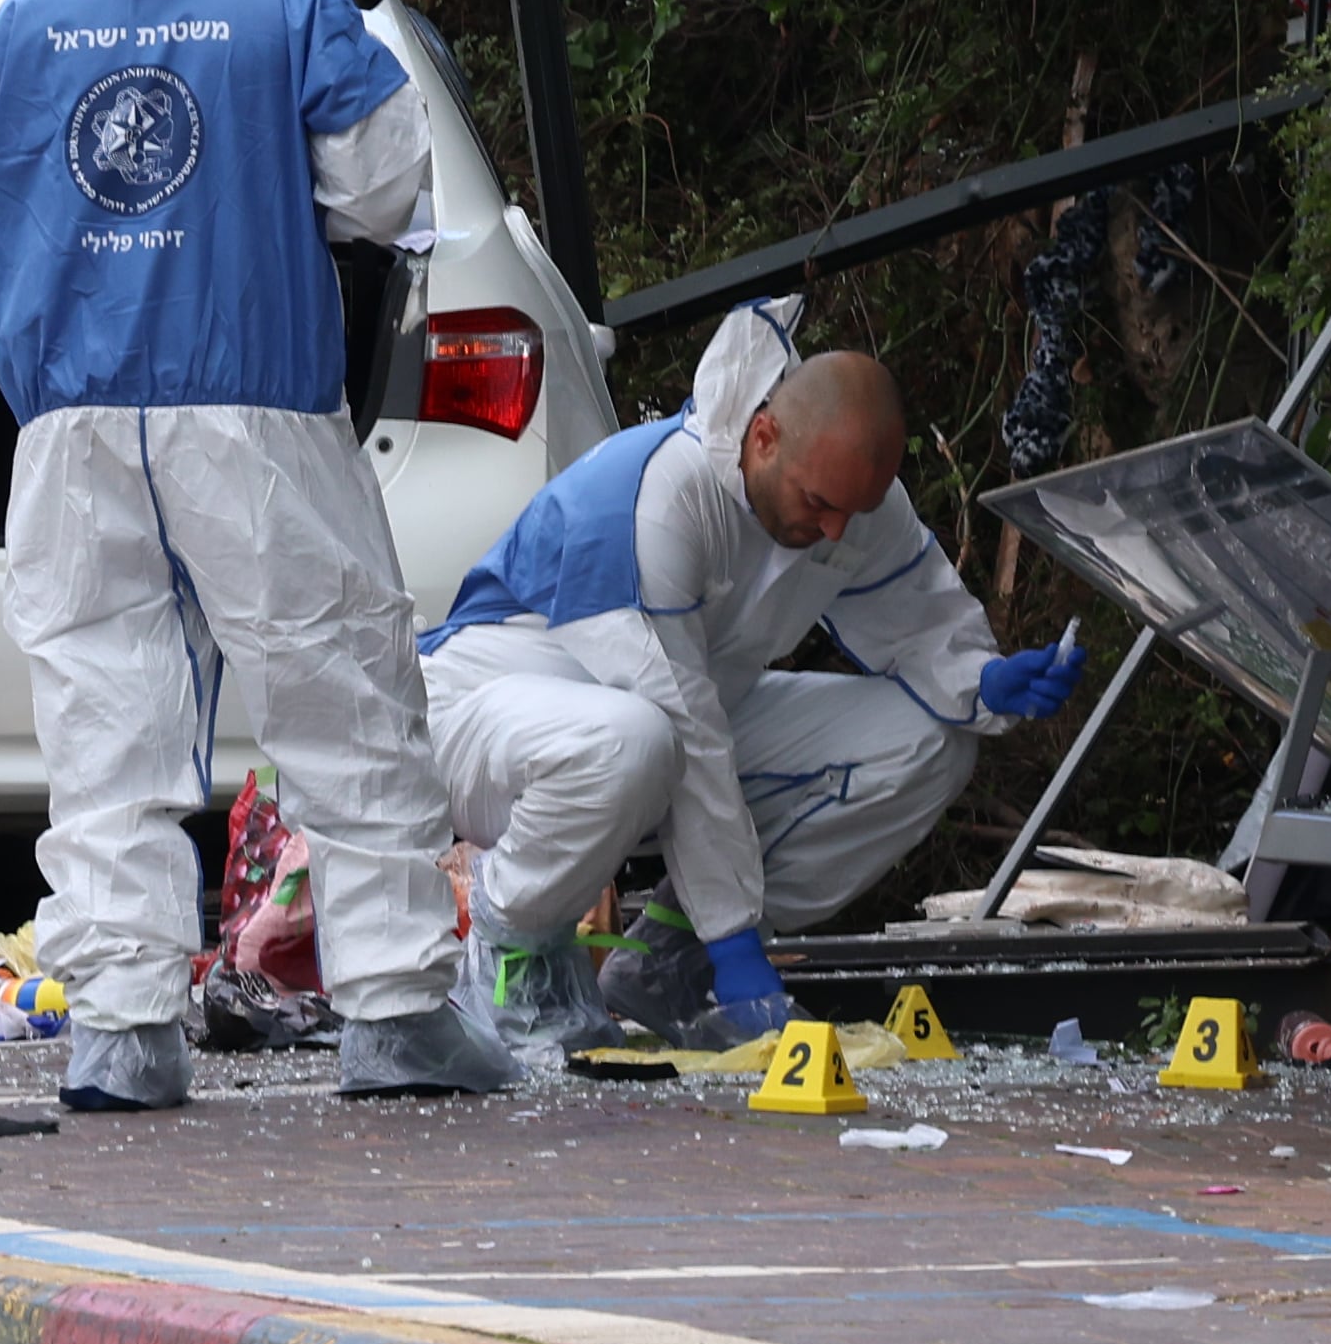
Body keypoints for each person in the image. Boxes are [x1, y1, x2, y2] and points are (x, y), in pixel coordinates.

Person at [0, 0, 514, 1108]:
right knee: (339, 691)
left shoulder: (27, 20)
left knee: (103, 718)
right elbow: (387, 186)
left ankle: (122, 1032)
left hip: (75, 417)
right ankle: (393, 1013)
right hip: (251, 396)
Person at [420, 299, 1084, 1048]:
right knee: (635, 740)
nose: (836, 531)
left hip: (665, 725)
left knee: (932, 742)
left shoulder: (849, 502)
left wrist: (982, 680)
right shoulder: (655, 500)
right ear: (762, 437)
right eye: (821, 505)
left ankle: (674, 960)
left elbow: (919, 615)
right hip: (483, 720)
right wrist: (741, 943)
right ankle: (509, 950)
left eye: (854, 512)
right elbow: (683, 726)